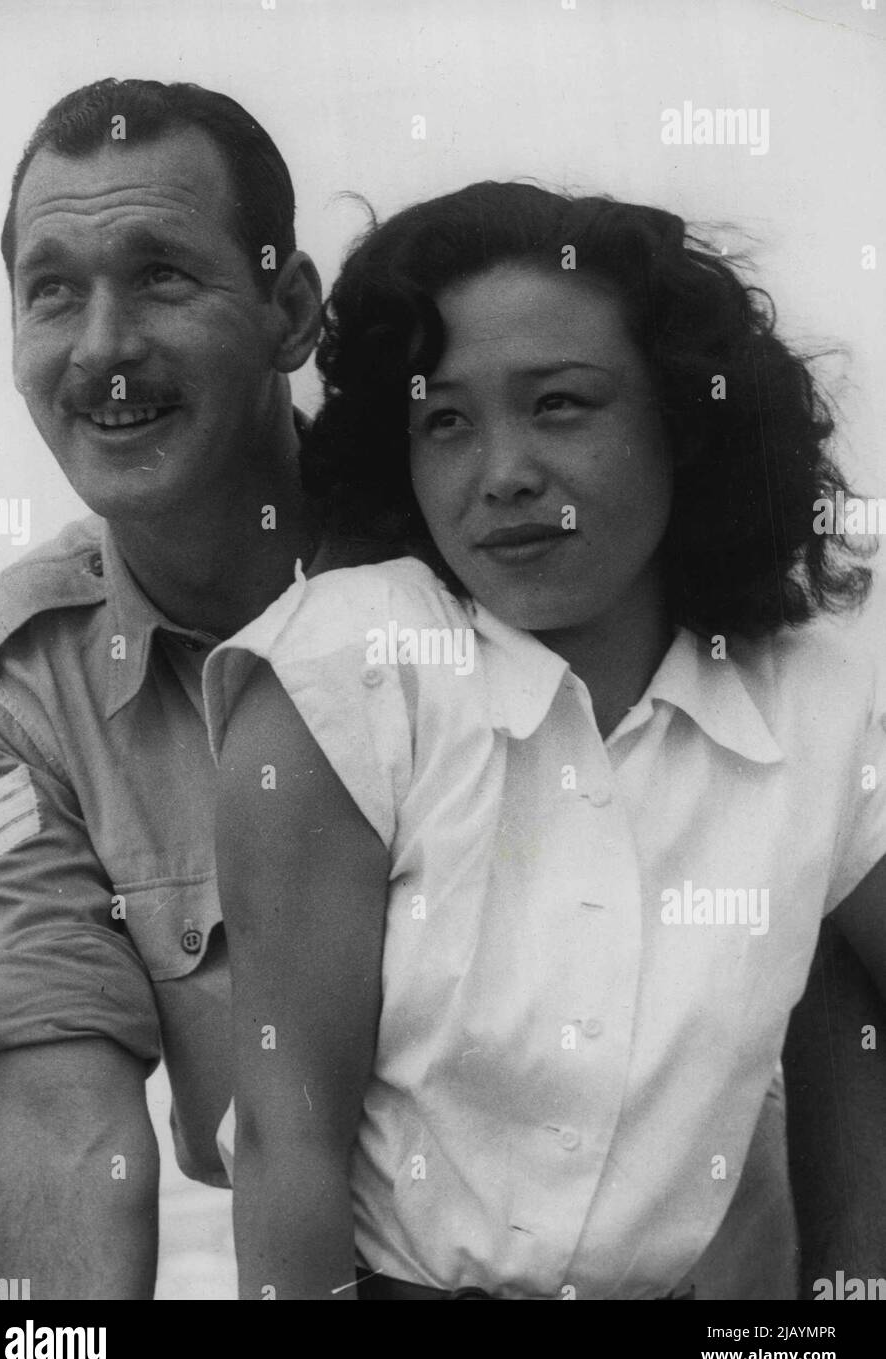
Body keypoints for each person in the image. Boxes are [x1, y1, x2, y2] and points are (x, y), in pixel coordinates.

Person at [207, 182, 886, 1300]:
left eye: (561, 404)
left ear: (682, 418)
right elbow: (291, 1143)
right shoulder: (349, 667)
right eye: (445, 421)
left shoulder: (807, 692)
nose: (502, 471)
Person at [0, 77, 322, 1298]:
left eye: (161, 272)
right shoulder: (7, 680)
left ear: (292, 312)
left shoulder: (482, 566)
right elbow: (64, 1111)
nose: (102, 348)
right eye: (52, 289)